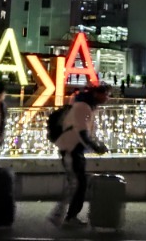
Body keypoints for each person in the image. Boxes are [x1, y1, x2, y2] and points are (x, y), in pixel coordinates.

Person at [48, 84, 110, 228]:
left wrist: (94, 144)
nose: (108, 97)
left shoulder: (85, 106)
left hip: (73, 148)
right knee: (77, 184)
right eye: (106, 94)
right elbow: (82, 132)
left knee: (75, 183)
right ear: (96, 94)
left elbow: (84, 132)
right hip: (71, 149)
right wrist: (96, 147)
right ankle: (67, 217)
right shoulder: (83, 107)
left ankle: (61, 215)